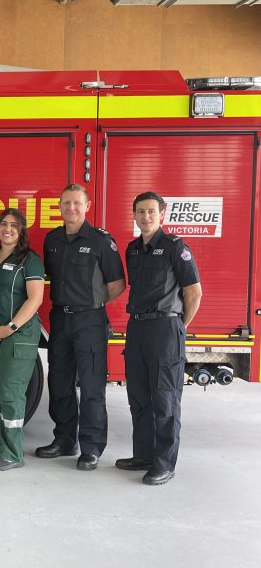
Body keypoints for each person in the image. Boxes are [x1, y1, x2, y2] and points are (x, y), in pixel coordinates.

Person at [36, 184, 125, 470]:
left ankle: (91, 448)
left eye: (76, 203)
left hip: (90, 321)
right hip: (60, 319)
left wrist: (92, 303)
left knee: (91, 386)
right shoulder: (51, 240)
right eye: (65, 203)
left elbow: (116, 285)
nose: (71, 208)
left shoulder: (101, 241)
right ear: (59, 207)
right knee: (59, 383)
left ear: (87, 206)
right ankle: (64, 440)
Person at [118, 191, 202, 486]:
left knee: (165, 398)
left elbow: (194, 292)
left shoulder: (175, 247)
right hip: (137, 328)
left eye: (151, 211)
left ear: (162, 214)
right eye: (140, 211)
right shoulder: (132, 249)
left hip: (166, 329)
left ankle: (164, 463)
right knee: (139, 397)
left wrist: (179, 326)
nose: (145, 216)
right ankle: (143, 455)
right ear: (134, 215)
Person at [0, 208, 44, 471]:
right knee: (2, 392)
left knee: (12, 393)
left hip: (19, 337)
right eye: (3, 224)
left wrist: (12, 326)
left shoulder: (29, 260)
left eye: (14, 226)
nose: (7, 229)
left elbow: (35, 299)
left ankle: (14, 454)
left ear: (22, 231)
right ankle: (6, 445)